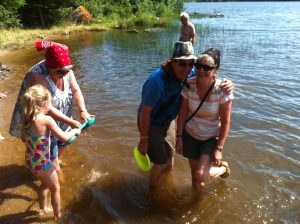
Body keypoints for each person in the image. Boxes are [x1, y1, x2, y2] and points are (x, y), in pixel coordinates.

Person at [137, 41, 233, 188]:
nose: (187, 69)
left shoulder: (192, 72)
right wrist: (144, 139)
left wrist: (229, 83)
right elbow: (145, 112)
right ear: (172, 62)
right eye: (182, 64)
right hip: (151, 122)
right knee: (161, 163)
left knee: (170, 161)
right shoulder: (156, 81)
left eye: (190, 64)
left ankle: (168, 187)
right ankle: (152, 196)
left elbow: (209, 73)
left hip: (169, 120)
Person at [9, 41, 93, 171]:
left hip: (62, 115)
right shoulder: (37, 76)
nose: (64, 75)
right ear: (49, 66)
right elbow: (46, 107)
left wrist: (83, 111)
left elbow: (76, 90)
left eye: (67, 71)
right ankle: (51, 171)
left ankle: (53, 162)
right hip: (43, 118)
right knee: (43, 148)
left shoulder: (65, 69)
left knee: (60, 144)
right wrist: (70, 121)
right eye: (60, 72)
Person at [176, 48, 233, 190]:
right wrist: (179, 136)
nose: (201, 70)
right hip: (190, 135)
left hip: (210, 137)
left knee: (200, 175)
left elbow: (226, 122)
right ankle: (197, 201)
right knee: (195, 177)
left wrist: (219, 148)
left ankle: (223, 170)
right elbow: (182, 112)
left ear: (216, 70)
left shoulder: (222, 90)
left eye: (207, 67)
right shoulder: (189, 84)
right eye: (198, 66)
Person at [22, 84, 81, 219]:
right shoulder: (46, 119)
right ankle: (57, 216)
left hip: (31, 162)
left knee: (44, 185)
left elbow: (23, 138)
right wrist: (75, 131)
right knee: (56, 189)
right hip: (44, 164)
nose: (51, 105)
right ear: (44, 103)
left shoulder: (27, 119)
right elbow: (65, 137)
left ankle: (42, 209)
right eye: (50, 101)